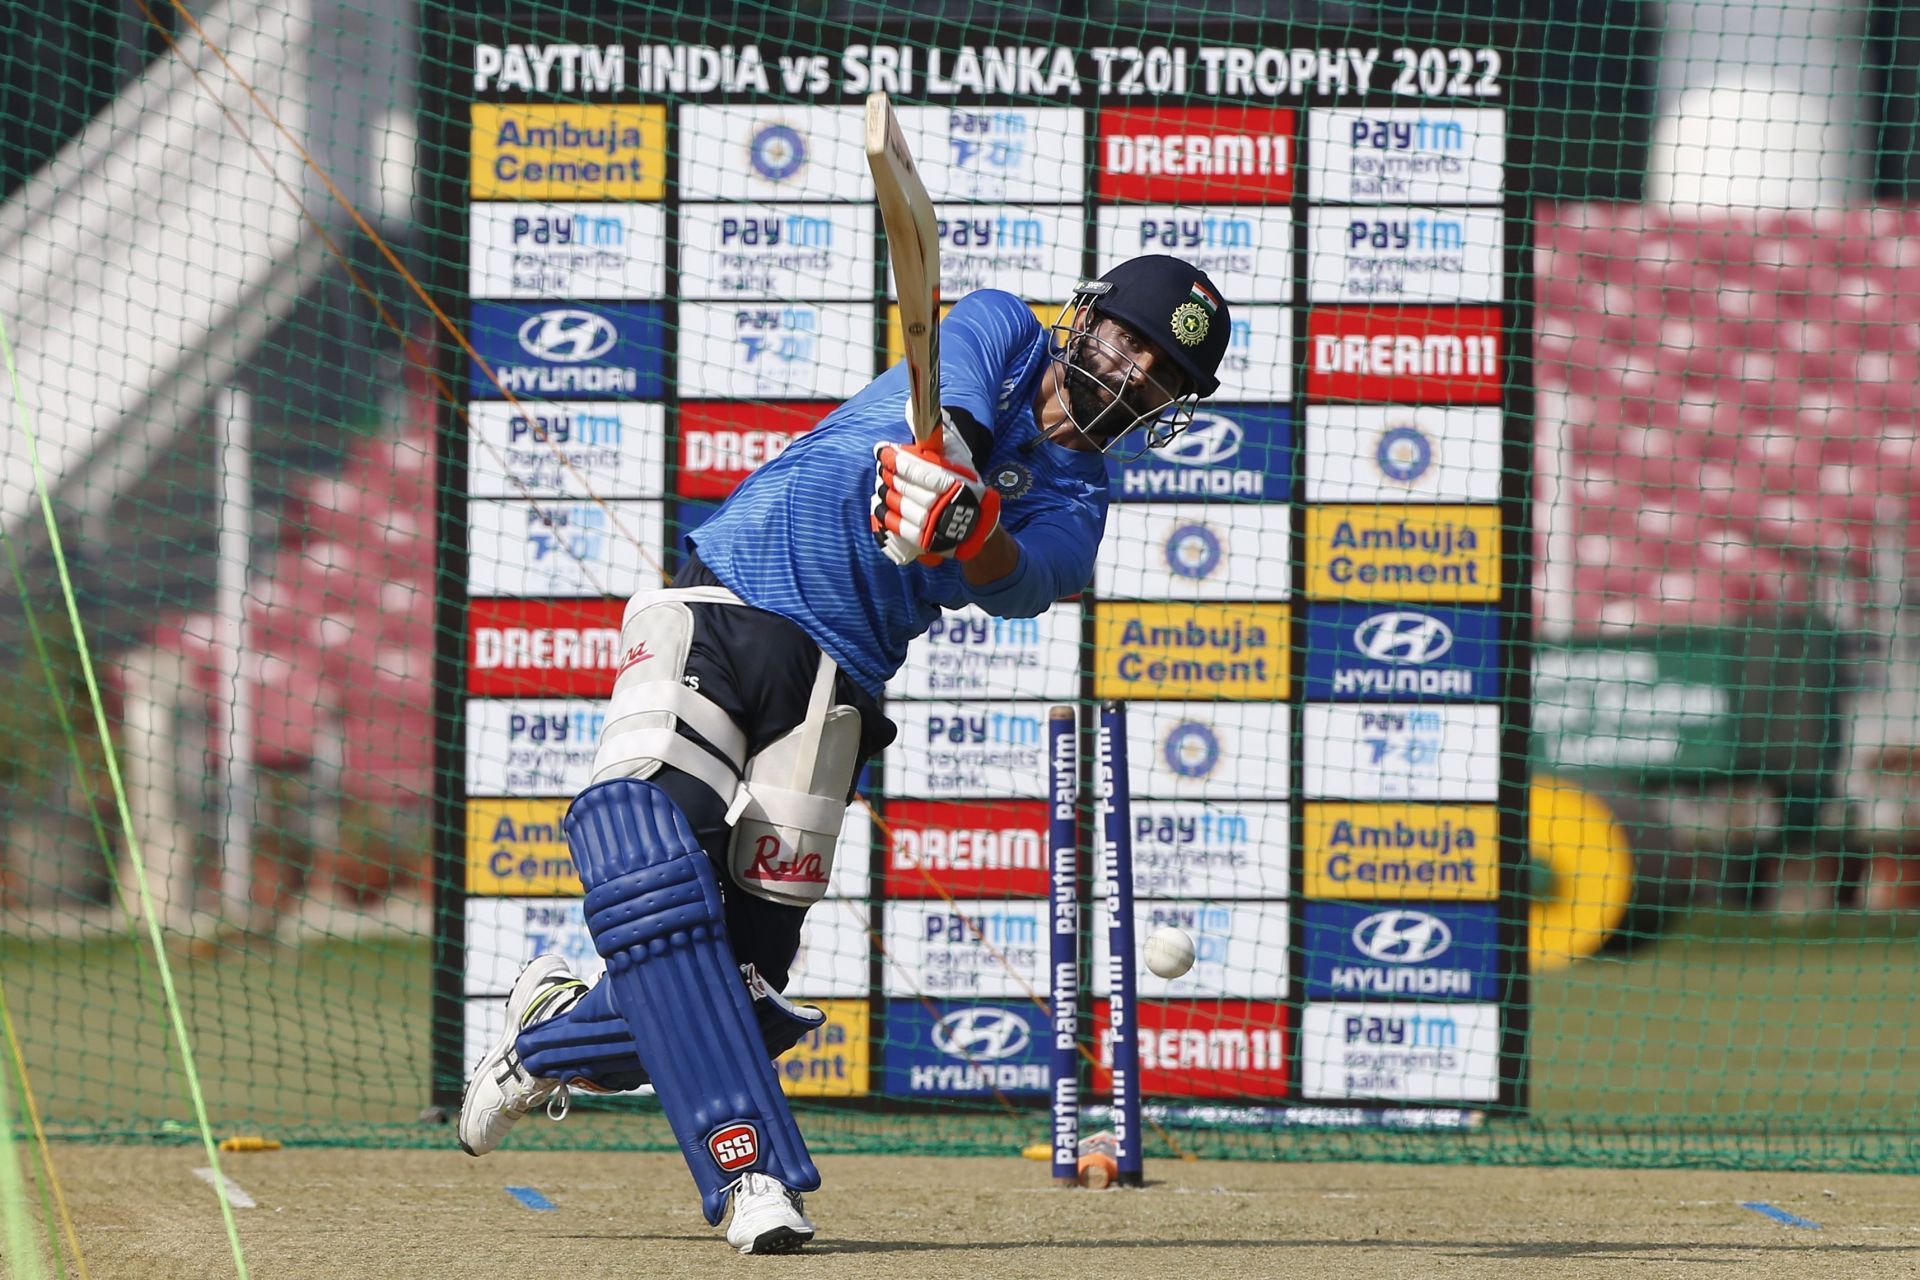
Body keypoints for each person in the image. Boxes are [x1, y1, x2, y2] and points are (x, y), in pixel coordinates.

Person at [457, 255, 1233, 1254]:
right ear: (1084, 320)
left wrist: (972, 524)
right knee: (641, 840)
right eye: (1130, 342)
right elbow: (945, 406)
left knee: (741, 980)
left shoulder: (1082, 499)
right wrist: (940, 467)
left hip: (840, 689)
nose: (1134, 375)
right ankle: (749, 1173)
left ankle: (542, 1038)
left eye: (1164, 374)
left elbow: (1021, 580)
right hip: (727, 602)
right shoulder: (1003, 325)